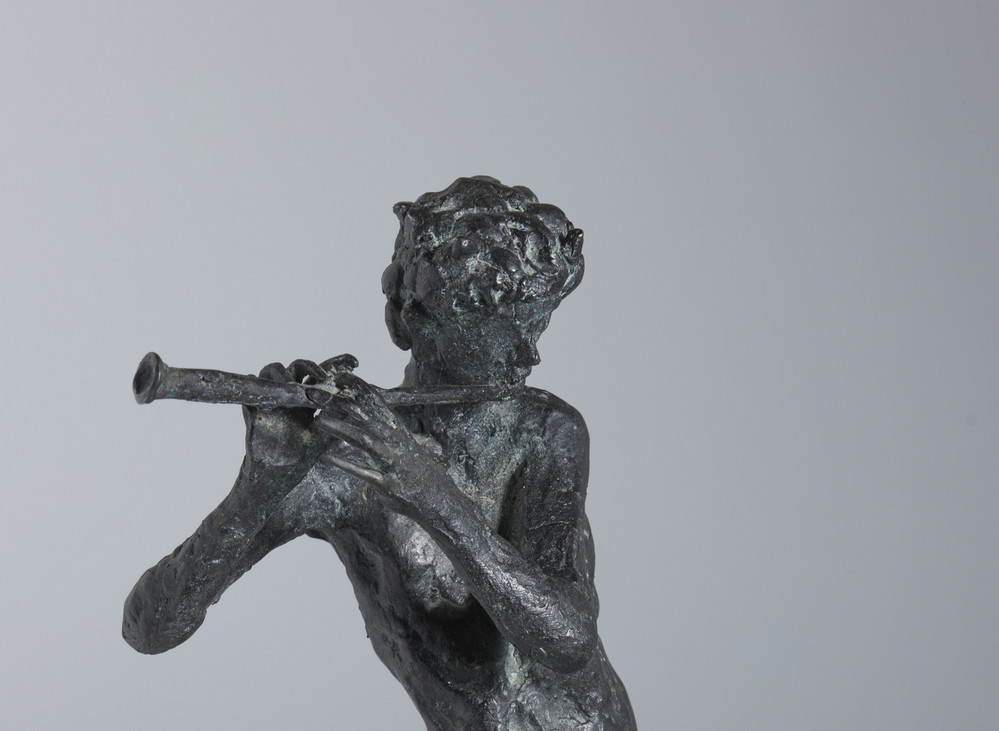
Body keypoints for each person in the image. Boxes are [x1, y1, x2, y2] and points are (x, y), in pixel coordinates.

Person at [123, 176, 637, 730]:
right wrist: (258, 487)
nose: (529, 354)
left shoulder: (543, 430)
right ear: (411, 318)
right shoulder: (340, 466)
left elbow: (567, 638)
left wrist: (428, 493)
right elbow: (148, 628)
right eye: (500, 327)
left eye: (537, 323)